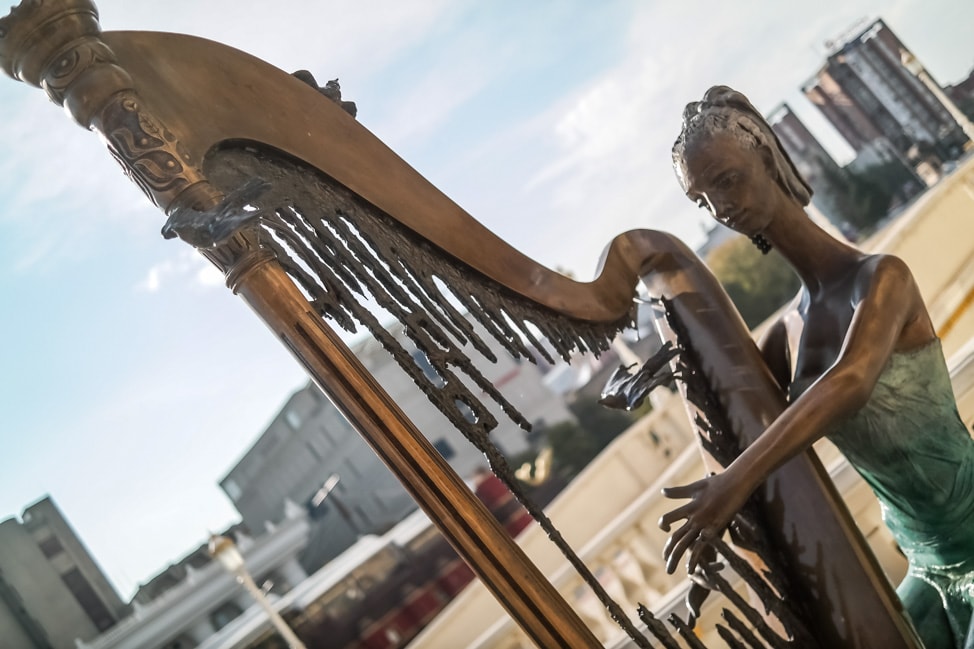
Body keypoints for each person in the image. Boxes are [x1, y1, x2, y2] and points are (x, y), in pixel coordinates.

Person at [659, 85, 974, 649]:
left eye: (726, 180)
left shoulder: (883, 280)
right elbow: (745, 420)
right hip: (927, 564)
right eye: (701, 201)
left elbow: (849, 384)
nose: (720, 208)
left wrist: (734, 483)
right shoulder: (785, 335)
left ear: (766, 154)